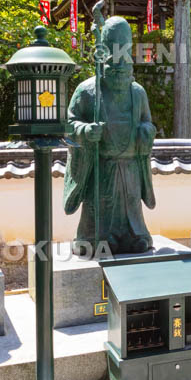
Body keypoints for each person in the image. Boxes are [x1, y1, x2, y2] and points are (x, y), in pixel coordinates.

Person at [63, 14, 155, 255]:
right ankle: (93, 239)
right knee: (99, 206)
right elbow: (69, 123)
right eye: (114, 59)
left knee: (131, 205)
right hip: (100, 165)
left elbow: (148, 122)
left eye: (125, 58)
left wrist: (145, 133)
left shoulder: (138, 93)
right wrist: (86, 130)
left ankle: (133, 236)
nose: (120, 67)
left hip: (130, 165)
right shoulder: (87, 90)